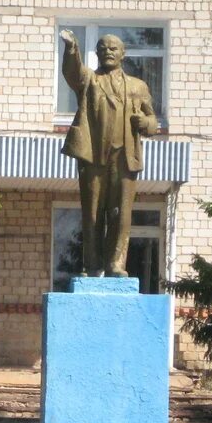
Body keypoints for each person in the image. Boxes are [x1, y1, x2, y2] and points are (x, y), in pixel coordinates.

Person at [60, 30, 159, 277]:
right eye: (102, 48)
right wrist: (72, 47)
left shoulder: (138, 86)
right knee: (92, 211)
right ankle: (92, 265)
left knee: (121, 212)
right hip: (93, 155)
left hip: (125, 157)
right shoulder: (89, 80)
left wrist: (144, 123)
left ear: (123, 54)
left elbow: (153, 122)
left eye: (113, 48)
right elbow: (72, 72)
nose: (108, 52)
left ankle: (115, 263)